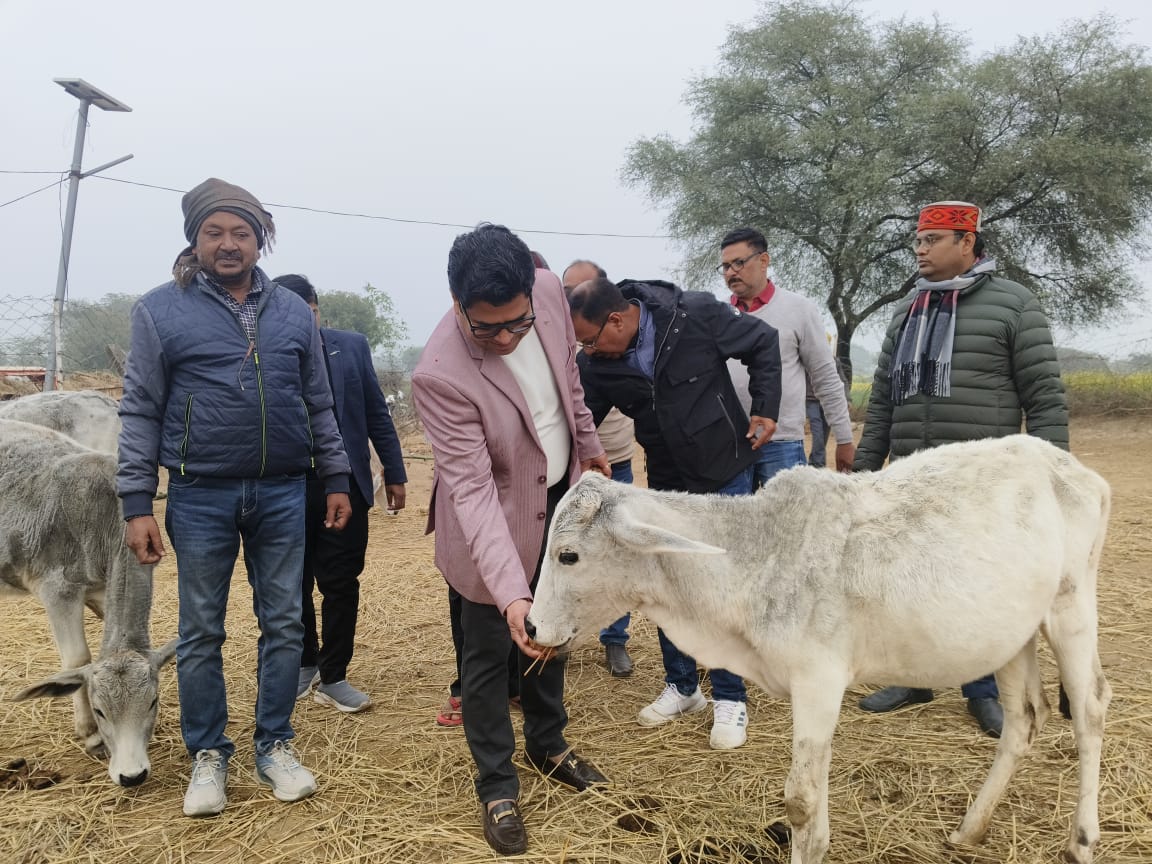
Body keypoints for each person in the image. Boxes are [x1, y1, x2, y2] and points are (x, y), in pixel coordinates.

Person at [117, 178, 352, 816]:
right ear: (194, 239)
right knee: (201, 629)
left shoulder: (292, 312)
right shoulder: (159, 311)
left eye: (241, 232)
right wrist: (137, 501)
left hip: (282, 490)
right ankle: (208, 754)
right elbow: (139, 410)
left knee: (284, 623)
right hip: (199, 493)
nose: (228, 244)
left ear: (260, 239)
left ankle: (274, 744)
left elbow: (319, 402)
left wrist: (335, 476)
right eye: (214, 232)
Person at [411, 223, 610, 856]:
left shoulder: (549, 291)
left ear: (533, 291)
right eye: (486, 329)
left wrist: (590, 450)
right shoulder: (439, 374)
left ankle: (549, 745)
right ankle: (497, 785)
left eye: (516, 324)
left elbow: (569, 384)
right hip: (489, 525)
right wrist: (510, 595)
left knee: (554, 636)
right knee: (488, 657)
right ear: (456, 303)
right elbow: (470, 490)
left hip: (557, 502)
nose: (504, 339)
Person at [853, 200, 1069, 738]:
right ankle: (914, 677)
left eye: (931, 240)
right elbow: (882, 402)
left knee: (978, 586)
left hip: (980, 480)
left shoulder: (1013, 305)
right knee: (905, 581)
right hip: (910, 476)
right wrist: (864, 472)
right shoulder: (909, 309)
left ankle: (983, 690)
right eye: (917, 240)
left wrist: (1053, 482)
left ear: (966, 242)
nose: (919, 250)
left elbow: (1044, 399)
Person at [567, 276, 781, 750]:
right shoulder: (596, 364)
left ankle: (730, 697)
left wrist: (766, 407)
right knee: (668, 581)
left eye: (590, 340)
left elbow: (762, 341)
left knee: (720, 584)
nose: (588, 351)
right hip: (667, 478)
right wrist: (582, 454)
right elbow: (582, 417)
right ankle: (683, 687)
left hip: (724, 468)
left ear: (616, 320)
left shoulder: (694, 315)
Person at [275, 274, 407, 714]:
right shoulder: (265, 352)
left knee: (340, 581)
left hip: (346, 483)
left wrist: (394, 471)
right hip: (286, 486)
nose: (302, 322)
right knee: (291, 580)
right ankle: (304, 661)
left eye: (308, 313)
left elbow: (375, 412)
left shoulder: (351, 346)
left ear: (318, 309)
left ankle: (334, 675)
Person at [721, 227, 855, 482]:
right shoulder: (718, 315)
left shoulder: (799, 310)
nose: (730, 272)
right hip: (729, 445)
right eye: (726, 266)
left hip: (782, 444)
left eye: (738, 263)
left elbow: (825, 377)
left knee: (791, 510)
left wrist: (845, 439)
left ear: (763, 261)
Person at [561, 259, 636, 678]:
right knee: (567, 551)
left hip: (615, 461)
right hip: (568, 465)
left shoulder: (619, 332)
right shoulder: (554, 334)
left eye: (581, 289)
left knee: (616, 552)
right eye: (567, 290)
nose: (572, 297)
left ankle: (615, 639)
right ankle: (561, 631)